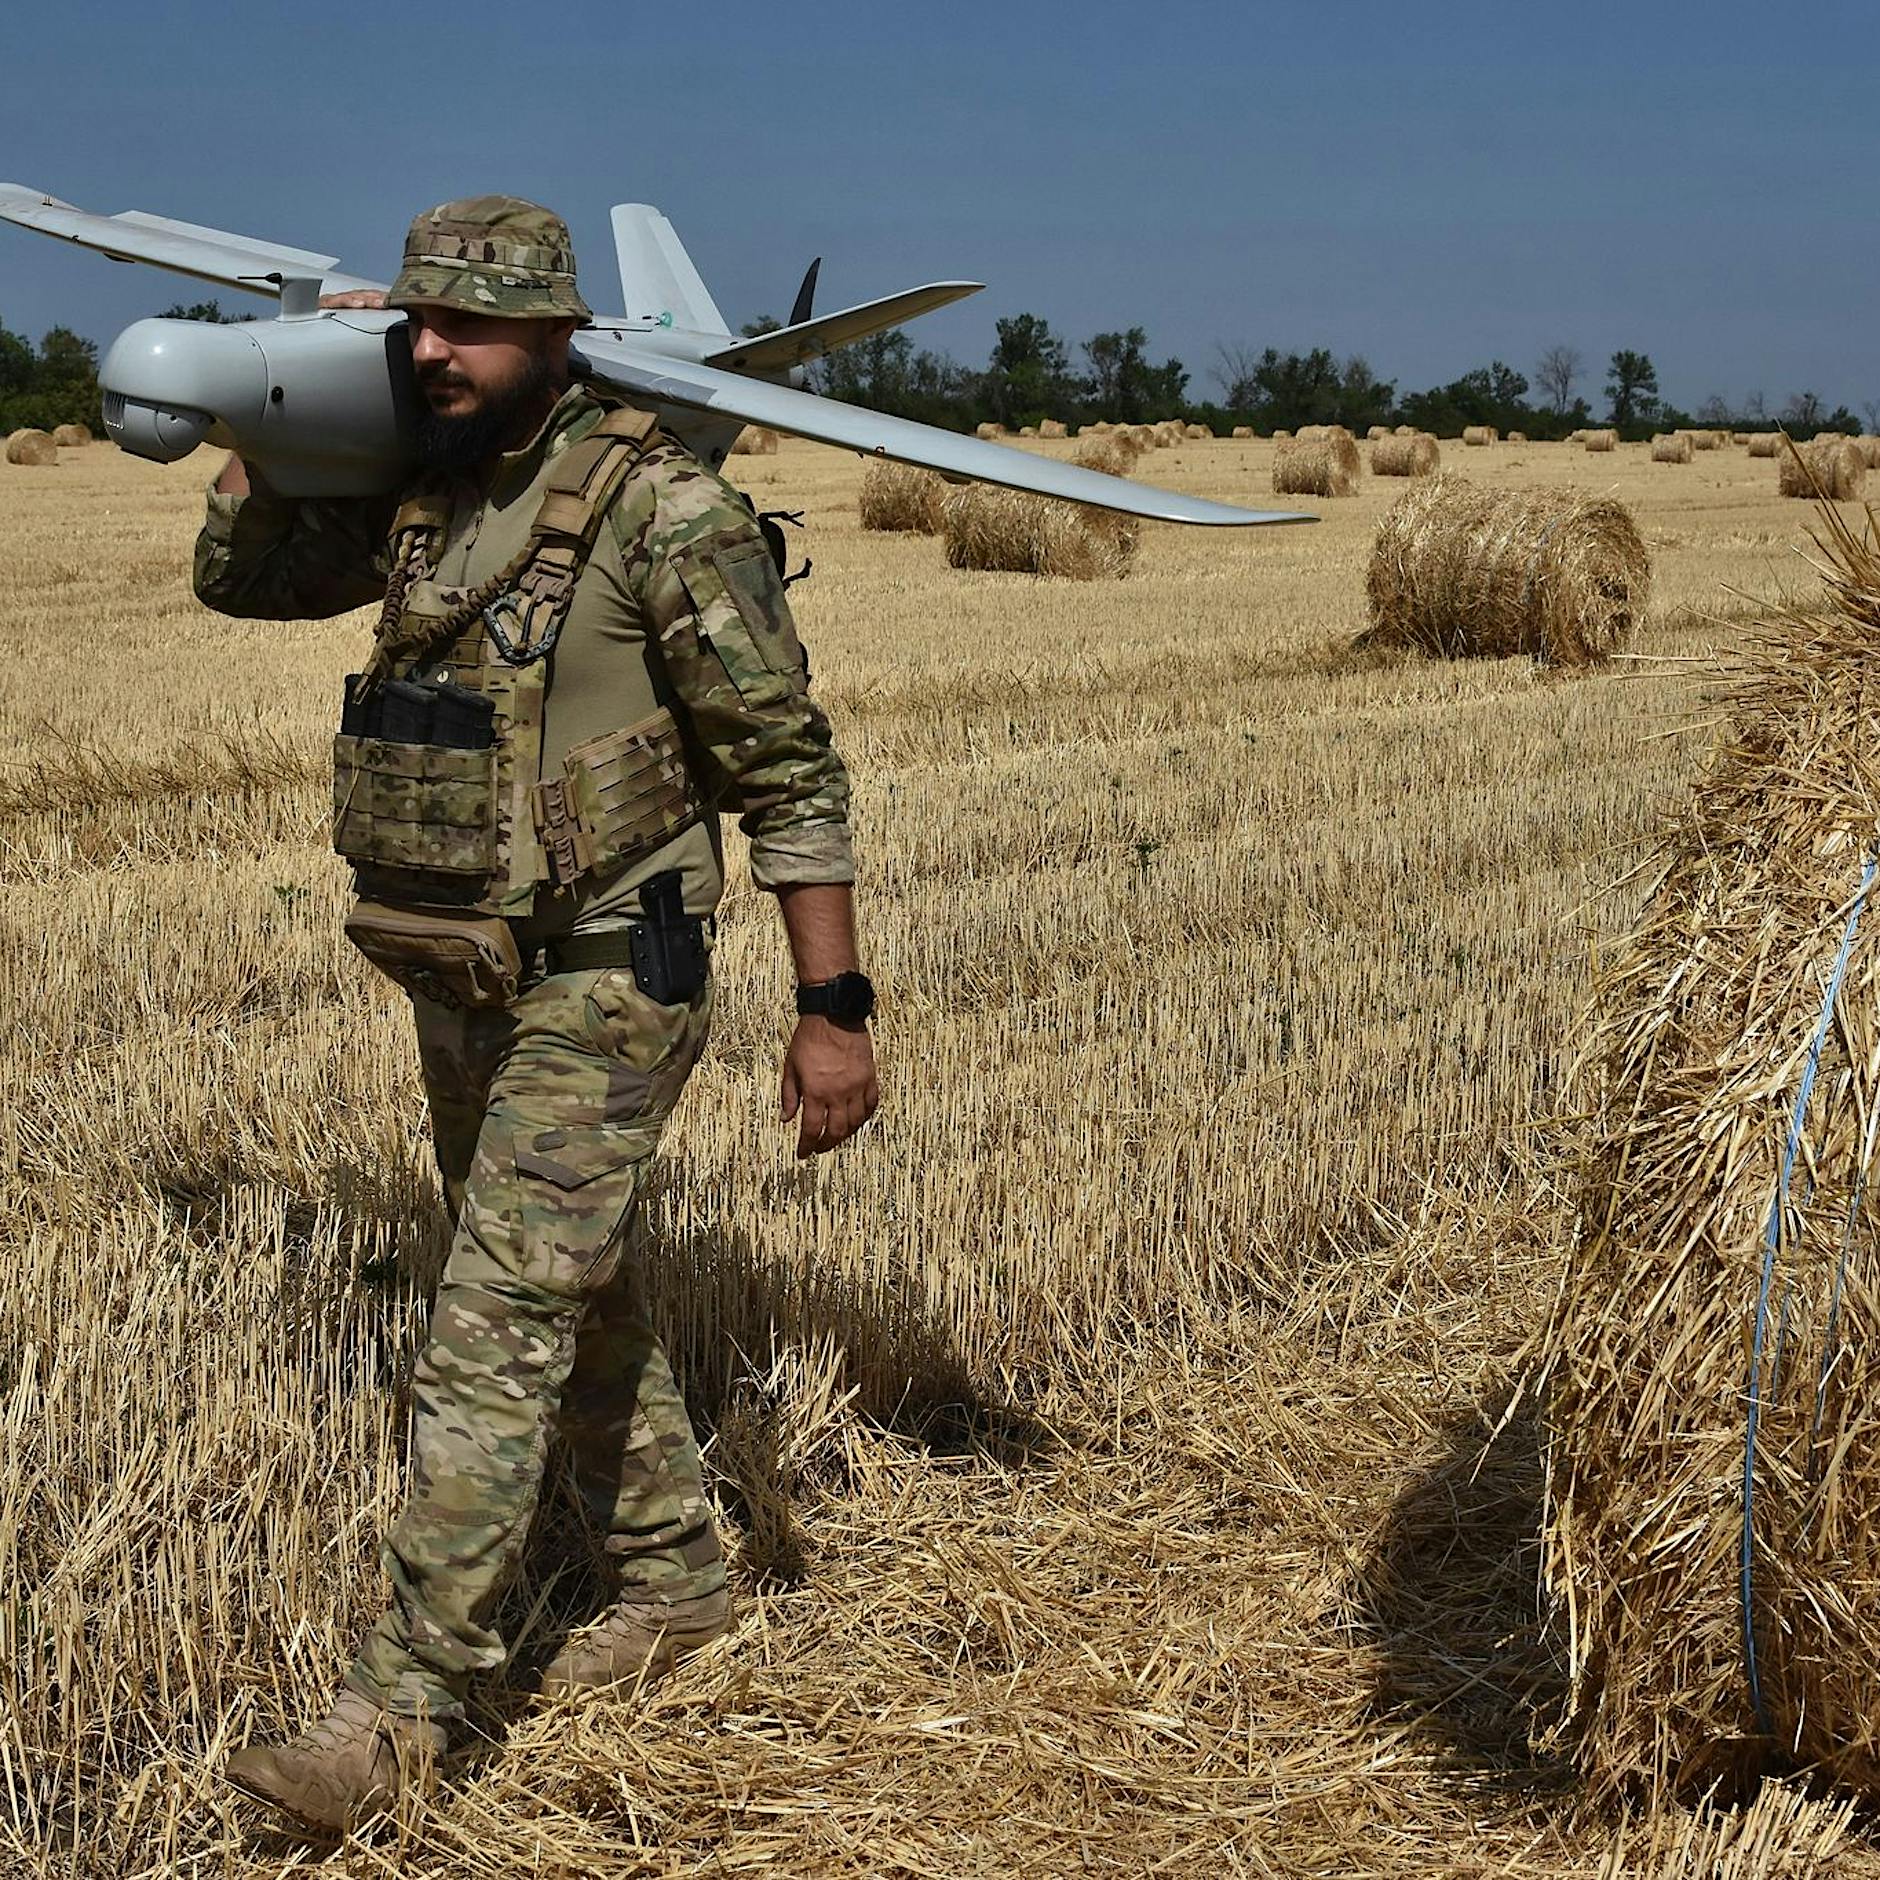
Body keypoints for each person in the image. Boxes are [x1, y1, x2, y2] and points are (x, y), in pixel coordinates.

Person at [193, 196, 879, 1835]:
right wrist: (251, 419)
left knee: (490, 1320)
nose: (432, 350)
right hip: (462, 962)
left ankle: (397, 1717)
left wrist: (833, 1007)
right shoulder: (429, 493)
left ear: (559, 334)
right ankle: (672, 1579)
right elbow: (243, 580)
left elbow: (787, 773)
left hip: (612, 971)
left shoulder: (668, 512)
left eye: (470, 327)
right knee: (567, 1288)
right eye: (416, 322)